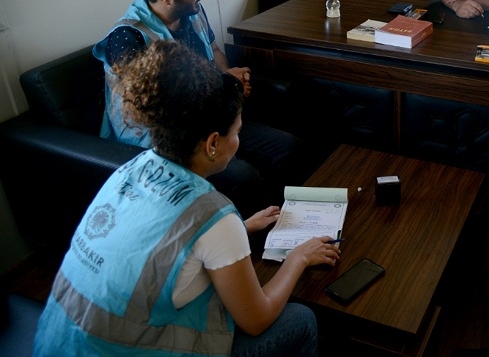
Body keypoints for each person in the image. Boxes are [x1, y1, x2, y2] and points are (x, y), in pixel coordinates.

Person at [34, 40, 340, 356]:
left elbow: (156, 243)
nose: (238, 140)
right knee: (301, 319)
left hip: (54, 344)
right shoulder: (215, 216)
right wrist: (297, 258)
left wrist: (242, 228)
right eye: (236, 132)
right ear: (212, 143)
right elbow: (257, 320)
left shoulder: (129, 170)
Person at [93, 0, 303, 217]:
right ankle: (248, 235)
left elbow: (214, 51)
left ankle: (288, 222)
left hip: (206, 119)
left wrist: (228, 76)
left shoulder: (191, 11)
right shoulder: (127, 38)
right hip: (162, 141)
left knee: (287, 147)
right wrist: (223, 82)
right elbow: (154, 108)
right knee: (242, 177)